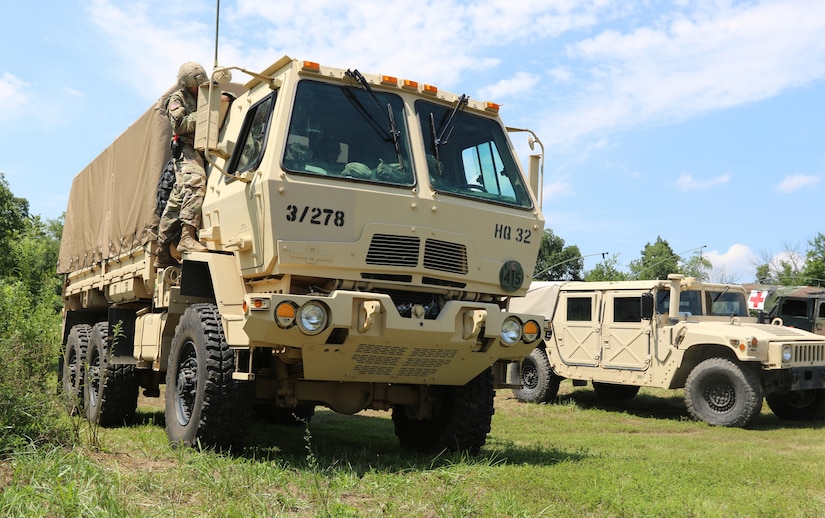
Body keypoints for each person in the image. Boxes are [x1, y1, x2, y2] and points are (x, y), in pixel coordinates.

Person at [155, 62, 210, 268]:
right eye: (195, 85)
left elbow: (224, 99)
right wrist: (204, 114)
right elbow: (179, 124)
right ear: (186, 84)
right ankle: (187, 237)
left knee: (177, 200)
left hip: (205, 147)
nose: (199, 88)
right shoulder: (177, 99)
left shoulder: (207, 92)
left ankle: (162, 251)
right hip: (187, 148)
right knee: (196, 182)